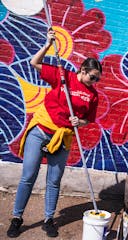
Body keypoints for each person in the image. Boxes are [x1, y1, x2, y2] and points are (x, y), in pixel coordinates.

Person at [6, 29, 102, 238]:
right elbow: (34, 63)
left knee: (54, 180)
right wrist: (48, 44)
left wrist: (80, 121)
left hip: (63, 137)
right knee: (28, 176)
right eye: (93, 77)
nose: (95, 82)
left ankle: (49, 220)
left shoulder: (93, 95)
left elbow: (89, 120)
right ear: (84, 70)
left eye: (97, 80)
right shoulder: (64, 76)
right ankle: (17, 218)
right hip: (41, 130)